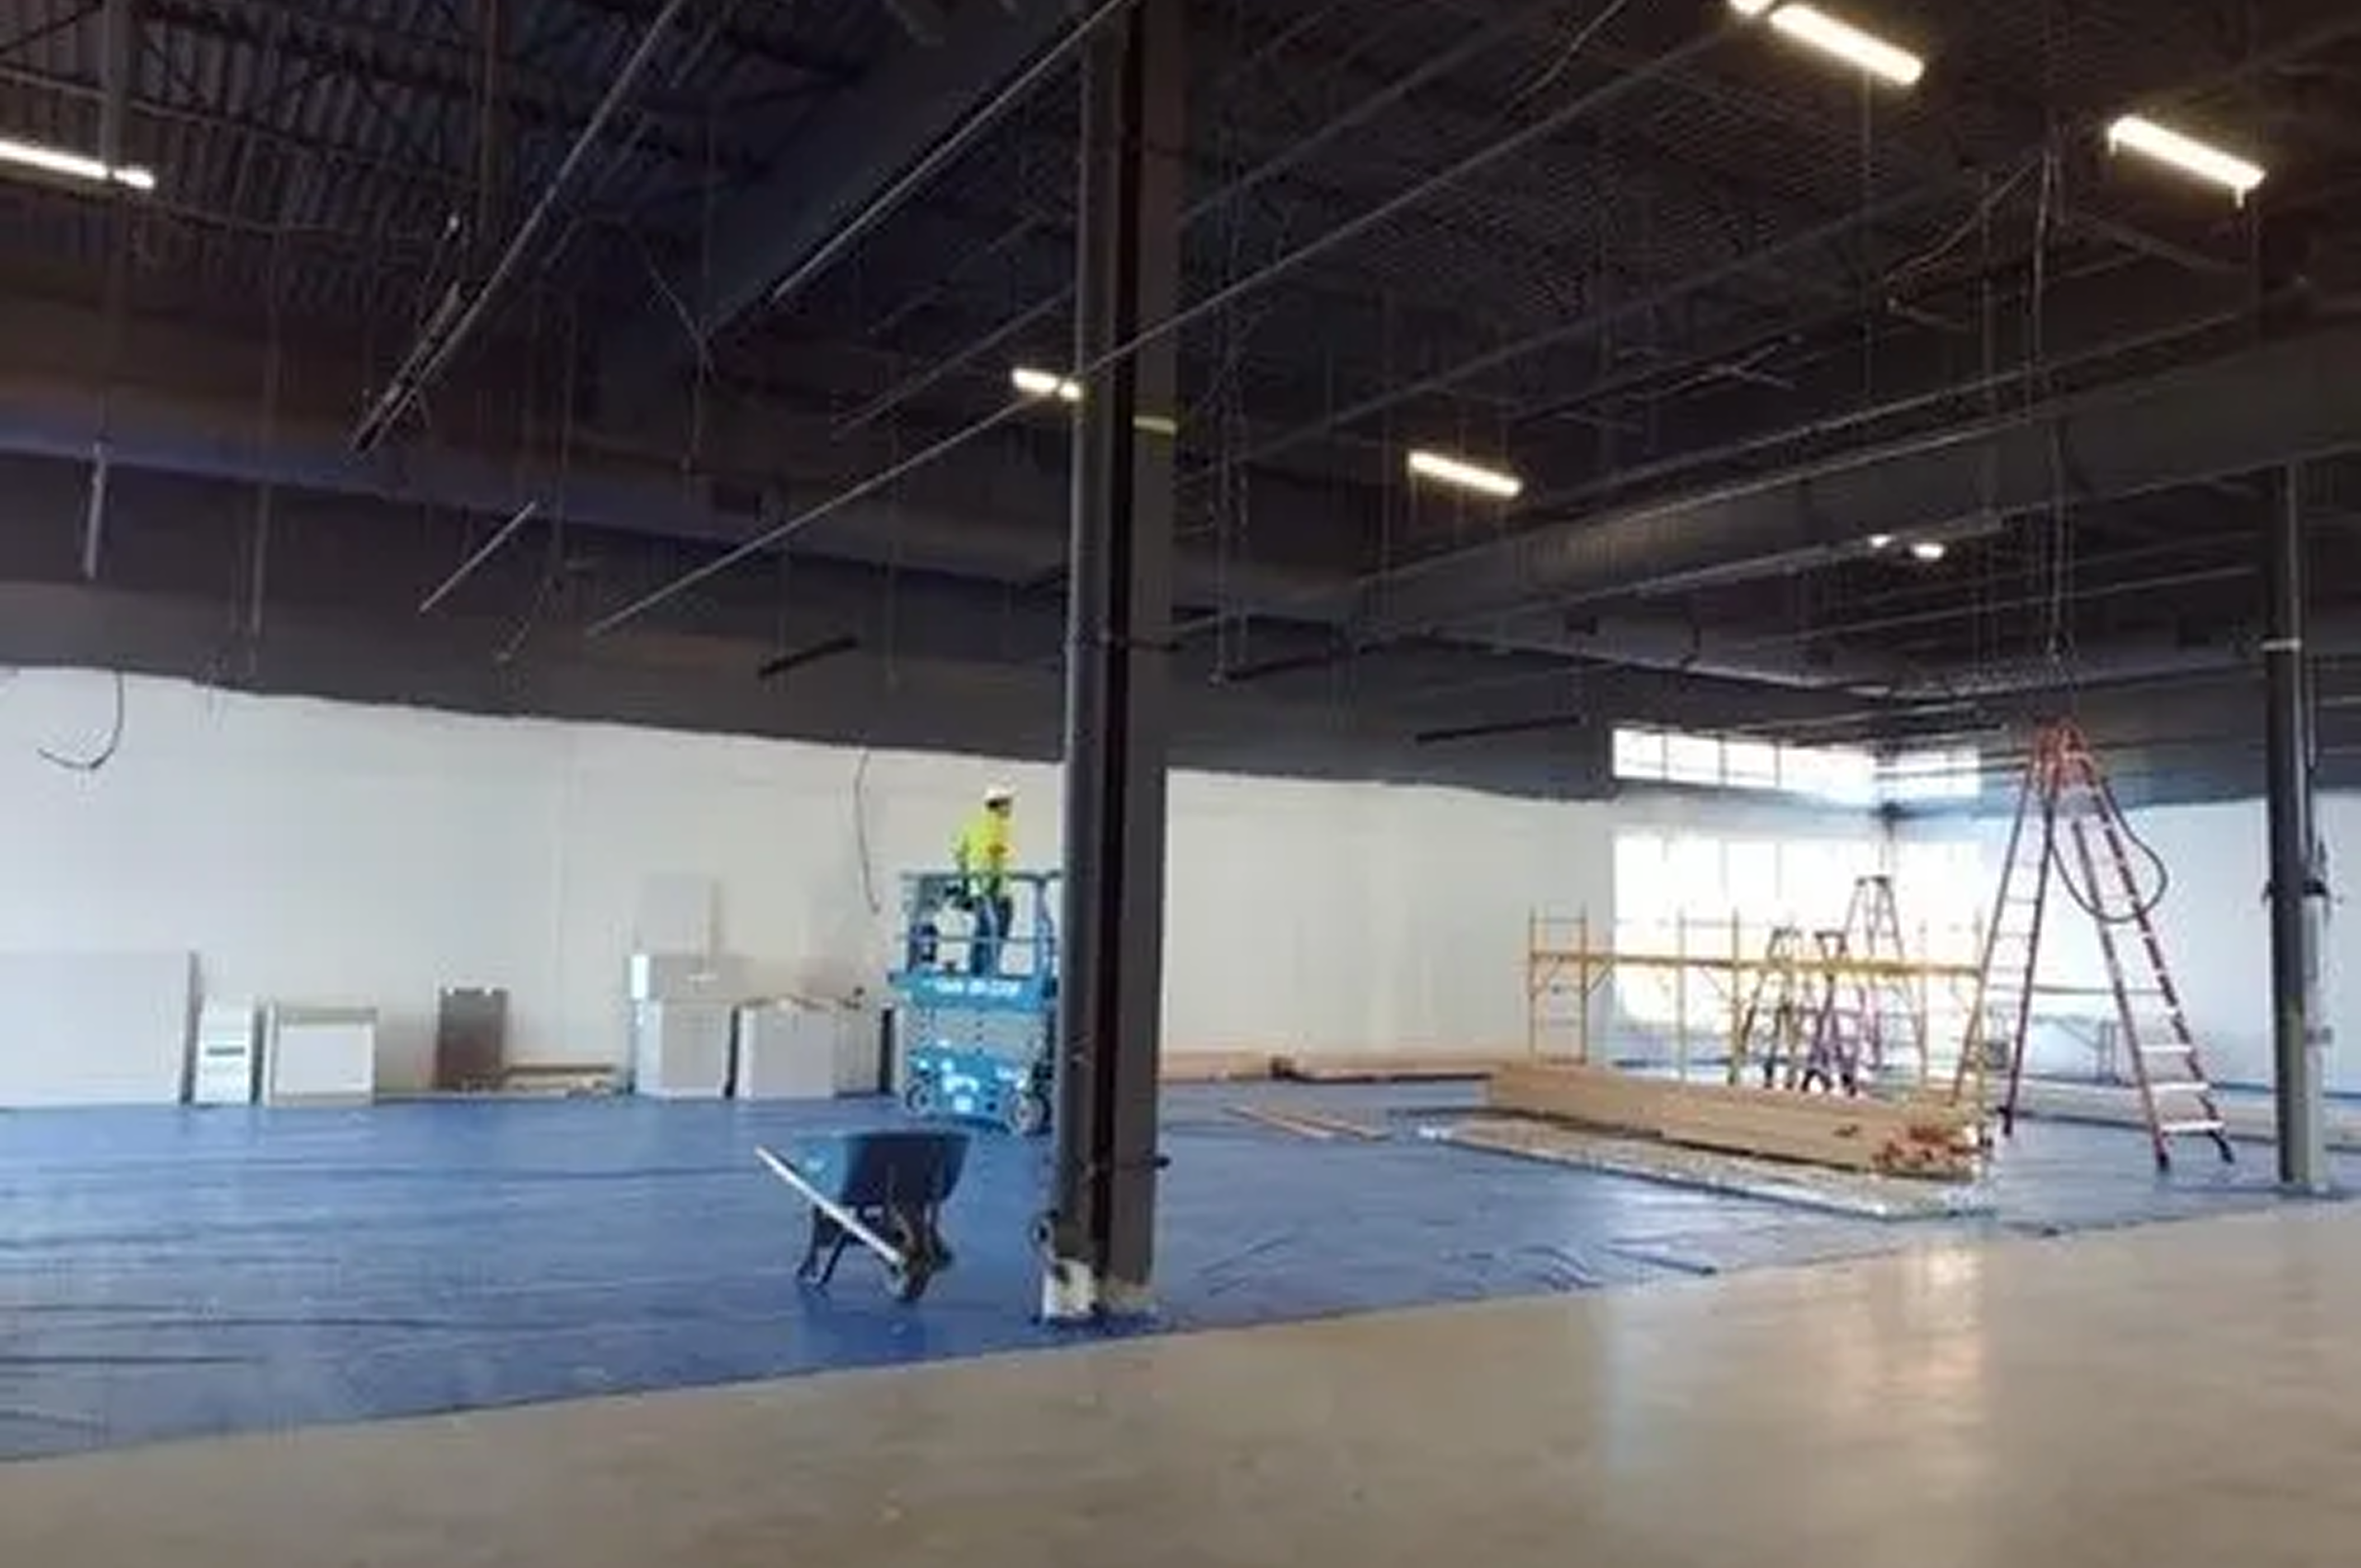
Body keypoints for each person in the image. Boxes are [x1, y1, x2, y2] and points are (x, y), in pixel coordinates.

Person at [954, 784, 1017, 976]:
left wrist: (967, 884)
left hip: (977, 890)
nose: (1011, 808)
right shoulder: (999, 826)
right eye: (1009, 804)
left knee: (982, 931)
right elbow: (995, 855)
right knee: (997, 930)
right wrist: (992, 886)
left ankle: (976, 970)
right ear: (1000, 805)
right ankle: (990, 970)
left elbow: (959, 854)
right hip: (996, 891)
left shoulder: (973, 824)